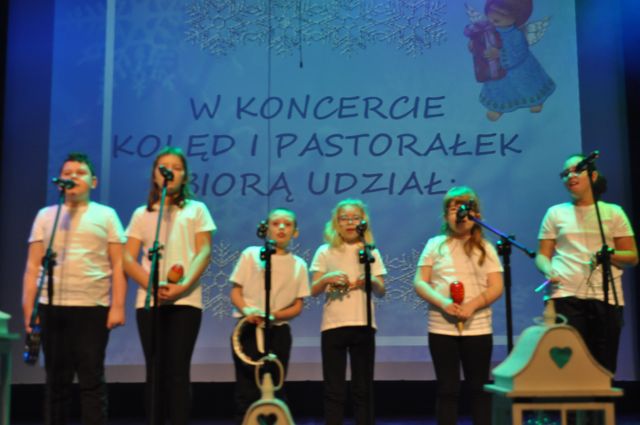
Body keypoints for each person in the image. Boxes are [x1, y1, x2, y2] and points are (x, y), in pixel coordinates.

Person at [22, 152, 127, 425]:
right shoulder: (46, 216)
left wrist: (117, 306)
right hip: (52, 307)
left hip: (92, 307)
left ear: (94, 182)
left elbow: (118, 265)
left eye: (80, 173)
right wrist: (29, 309)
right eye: (67, 173)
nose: (73, 177)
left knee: (91, 379)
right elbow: (32, 267)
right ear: (59, 181)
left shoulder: (106, 215)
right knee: (56, 380)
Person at [123, 147, 216, 425]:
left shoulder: (196, 210)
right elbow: (127, 257)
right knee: (154, 370)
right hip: (150, 301)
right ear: (155, 175)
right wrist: (150, 286)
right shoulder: (142, 214)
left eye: (176, 167)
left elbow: (204, 251)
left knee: (177, 371)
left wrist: (182, 286)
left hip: (185, 301)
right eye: (164, 167)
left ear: (184, 175)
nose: (170, 172)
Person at [535, 154, 638, 374]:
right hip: (565, 294)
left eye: (576, 170)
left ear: (592, 175)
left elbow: (632, 256)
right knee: (569, 366)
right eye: (565, 173)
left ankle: (600, 399)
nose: (570, 176)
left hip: (606, 297)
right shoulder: (555, 213)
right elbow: (542, 255)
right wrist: (548, 270)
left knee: (603, 366)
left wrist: (609, 255)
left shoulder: (613, 212)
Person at [414, 186, 503, 425]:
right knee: (447, 389)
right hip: (442, 328)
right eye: (454, 209)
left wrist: (472, 305)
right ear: (446, 216)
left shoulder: (486, 248)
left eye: (465, 208)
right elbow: (420, 282)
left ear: (476, 215)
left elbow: (496, 286)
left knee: (478, 388)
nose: (460, 214)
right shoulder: (435, 244)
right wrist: (444, 303)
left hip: (478, 327)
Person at [229, 208, 310, 422]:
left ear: (295, 232)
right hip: (248, 330)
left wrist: (273, 315)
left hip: (278, 332)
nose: (281, 227)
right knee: (246, 390)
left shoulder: (299, 265)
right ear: (266, 229)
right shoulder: (251, 255)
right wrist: (248, 311)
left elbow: (298, 305)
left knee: (275, 387)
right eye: (275, 223)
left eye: (287, 224)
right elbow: (235, 292)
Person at [310, 199, 386, 425]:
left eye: (355, 218)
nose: (350, 223)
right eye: (344, 218)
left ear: (363, 222)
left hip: (363, 324)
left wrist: (371, 280)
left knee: (363, 388)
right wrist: (327, 278)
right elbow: (313, 290)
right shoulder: (325, 251)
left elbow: (381, 290)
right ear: (337, 223)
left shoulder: (370, 250)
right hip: (333, 325)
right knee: (334, 388)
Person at [476, 0, 555, 121]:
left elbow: (520, 53)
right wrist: (475, 46)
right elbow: (481, 44)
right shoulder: (487, 30)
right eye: (490, 13)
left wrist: (500, 54)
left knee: (526, 85)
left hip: (518, 68)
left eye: (501, 15)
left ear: (516, 17)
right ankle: (498, 107)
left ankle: (535, 101)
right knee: (498, 88)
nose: (493, 18)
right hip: (495, 68)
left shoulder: (516, 35)